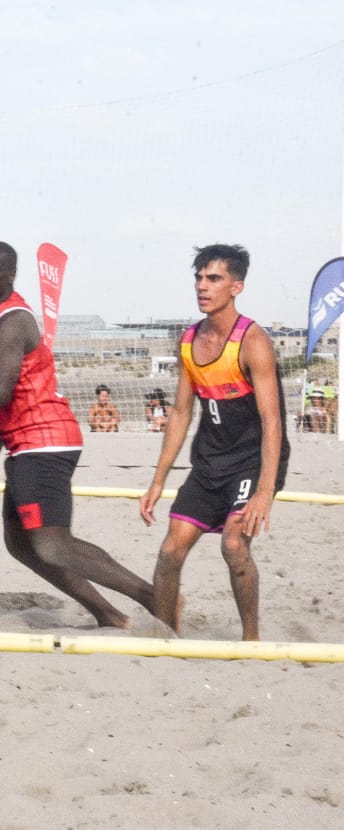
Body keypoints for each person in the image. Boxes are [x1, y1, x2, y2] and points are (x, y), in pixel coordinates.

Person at [0, 241, 157, 629]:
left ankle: (154, 597)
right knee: (22, 547)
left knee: (52, 543)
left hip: (46, 439)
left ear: (11, 276)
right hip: (25, 442)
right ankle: (109, 615)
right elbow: (3, 405)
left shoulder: (12, 321)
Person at [140, 244, 289, 641]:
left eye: (214, 279)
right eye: (199, 278)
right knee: (170, 551)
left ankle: (251, 639)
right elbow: (181, 413)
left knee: (234, 545)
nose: (202, 286)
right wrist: (158, 481)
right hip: (209, 462)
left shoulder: (253, 342)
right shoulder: (189, 340)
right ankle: (168, 637)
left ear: (236, 286)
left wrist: (264, 491)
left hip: (251, 461)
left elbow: (272, 422)